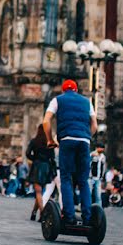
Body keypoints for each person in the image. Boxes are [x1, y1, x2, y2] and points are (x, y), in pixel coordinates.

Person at [43, 79, 98, 227]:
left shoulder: (58, 100)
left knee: (66, 178)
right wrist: (87, 137)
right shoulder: (87, 102)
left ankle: (69, 216)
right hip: (84, 141)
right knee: (83, 180)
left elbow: (46, 121)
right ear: (76, 90)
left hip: (66, 139)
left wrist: (50, 140)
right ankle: (87, 217)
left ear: (63, 90)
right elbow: (94, 125)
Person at [26, 123, 56, 221]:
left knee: (38, 192)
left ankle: (42, 213)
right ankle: (34, 213)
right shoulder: (49, 142)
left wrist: (34, 158)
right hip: (46, 167)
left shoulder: (35, 141)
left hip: (37, 166)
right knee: (40, 191)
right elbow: (52, 157)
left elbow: (27, 153)